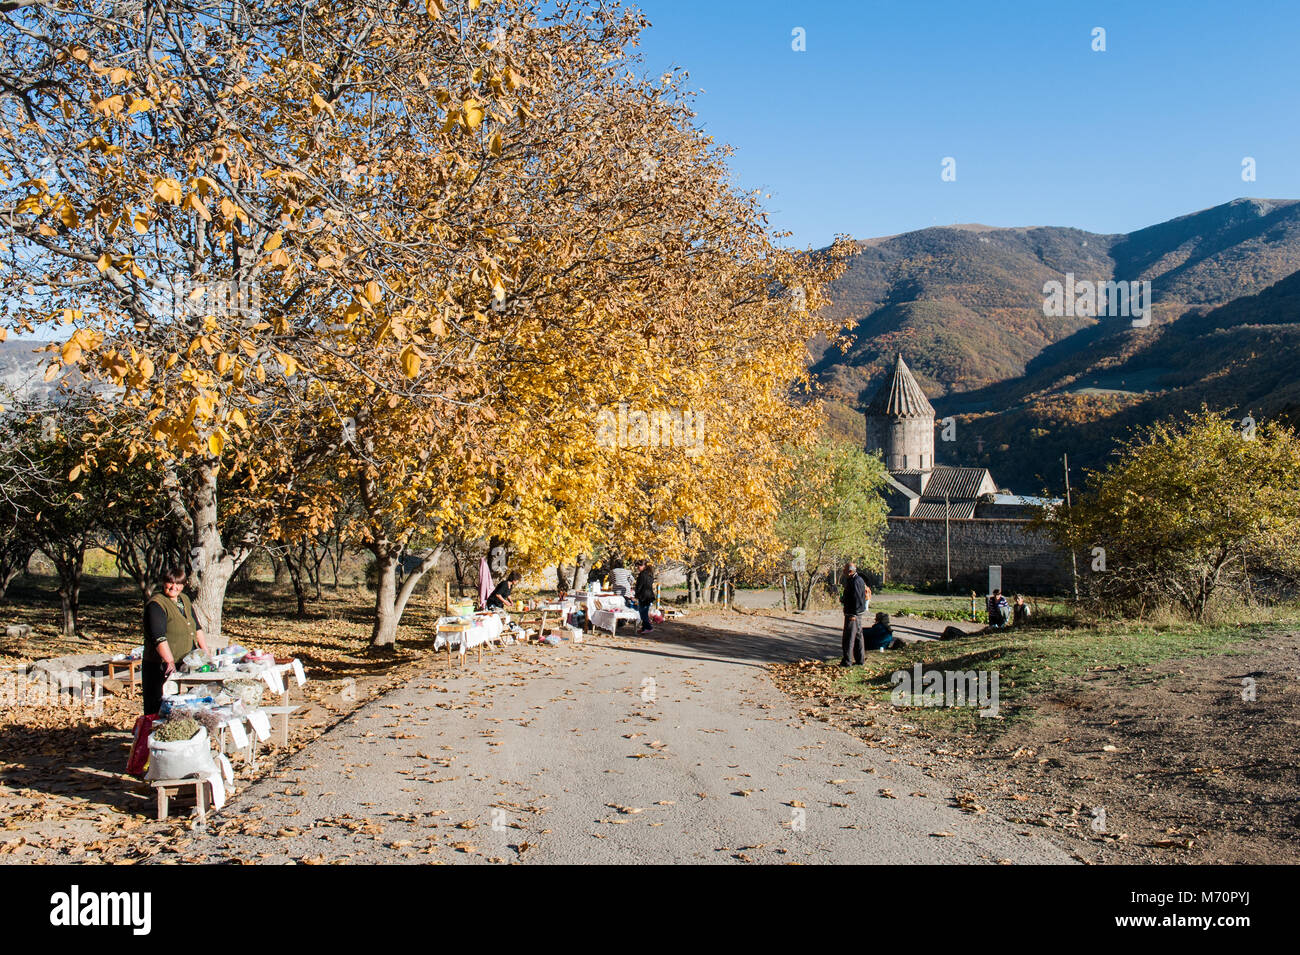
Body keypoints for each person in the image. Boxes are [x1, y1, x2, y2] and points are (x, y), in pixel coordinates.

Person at [142, 565, 210, 716]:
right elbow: (158, 637)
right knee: (159, 706)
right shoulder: (156, 604)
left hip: (185, 662)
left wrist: (204, 650)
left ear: (184, 585)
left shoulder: (184, 600)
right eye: (170, 583)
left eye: (178, 584)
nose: (174, 587)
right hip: (160, 666)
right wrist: (169, 661)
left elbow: (196, 626)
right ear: (164, 583)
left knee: (183, 705)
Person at [839, 561, 866, 666]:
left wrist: (854, 614)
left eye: (845, 570)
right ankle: (860, 660)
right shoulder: (855, 580)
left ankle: (847, 661)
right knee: (858, 637)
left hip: (853, 614)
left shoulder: (855, 581)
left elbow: (857, 598)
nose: (843, 571)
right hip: (856, 613)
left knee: (849, 638)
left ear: (850, 571)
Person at [634, 560, 656, 634]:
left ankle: (649, 627)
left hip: (644, 596)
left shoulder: (643, 574)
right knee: (644, 612)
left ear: (644, 566)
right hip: (648, 595)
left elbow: (639, 586)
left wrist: (636, 595)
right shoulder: (649, 574)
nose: (638, 568)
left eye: (639, 566)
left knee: (643, 613)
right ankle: (644, 628)